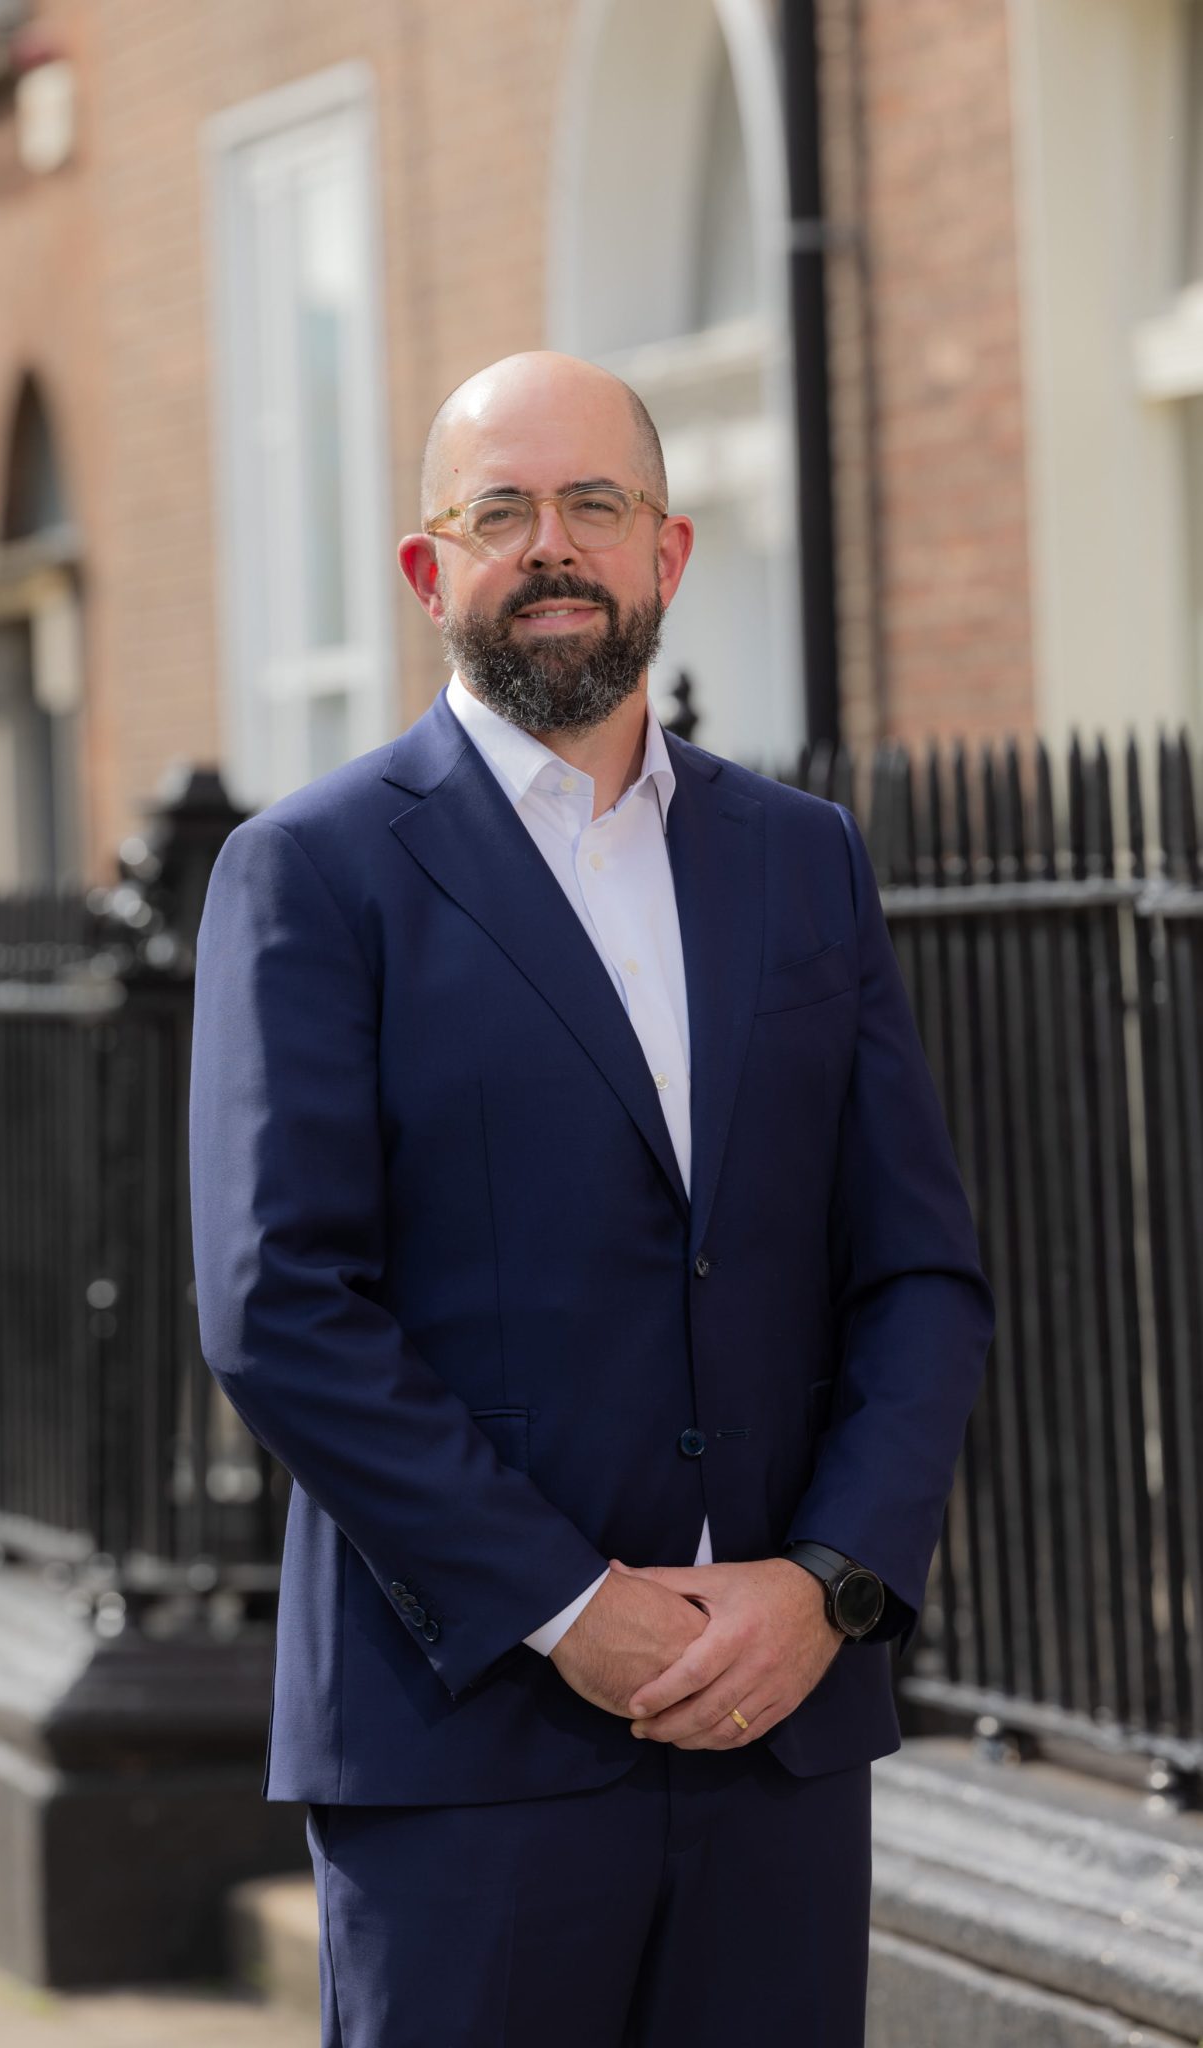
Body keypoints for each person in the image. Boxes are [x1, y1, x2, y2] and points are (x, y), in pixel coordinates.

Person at [188, 350, 994, 2046]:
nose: (551, 545)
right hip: (467, 1740)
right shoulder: (314, 872)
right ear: (429, 570)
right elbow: (279, 1302)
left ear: (665, 552)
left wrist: (827, 1584)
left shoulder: (802, 856)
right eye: (500, 512)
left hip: (777, 1733)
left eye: (594, 506)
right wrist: (568, 1609)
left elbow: (916, 1271)